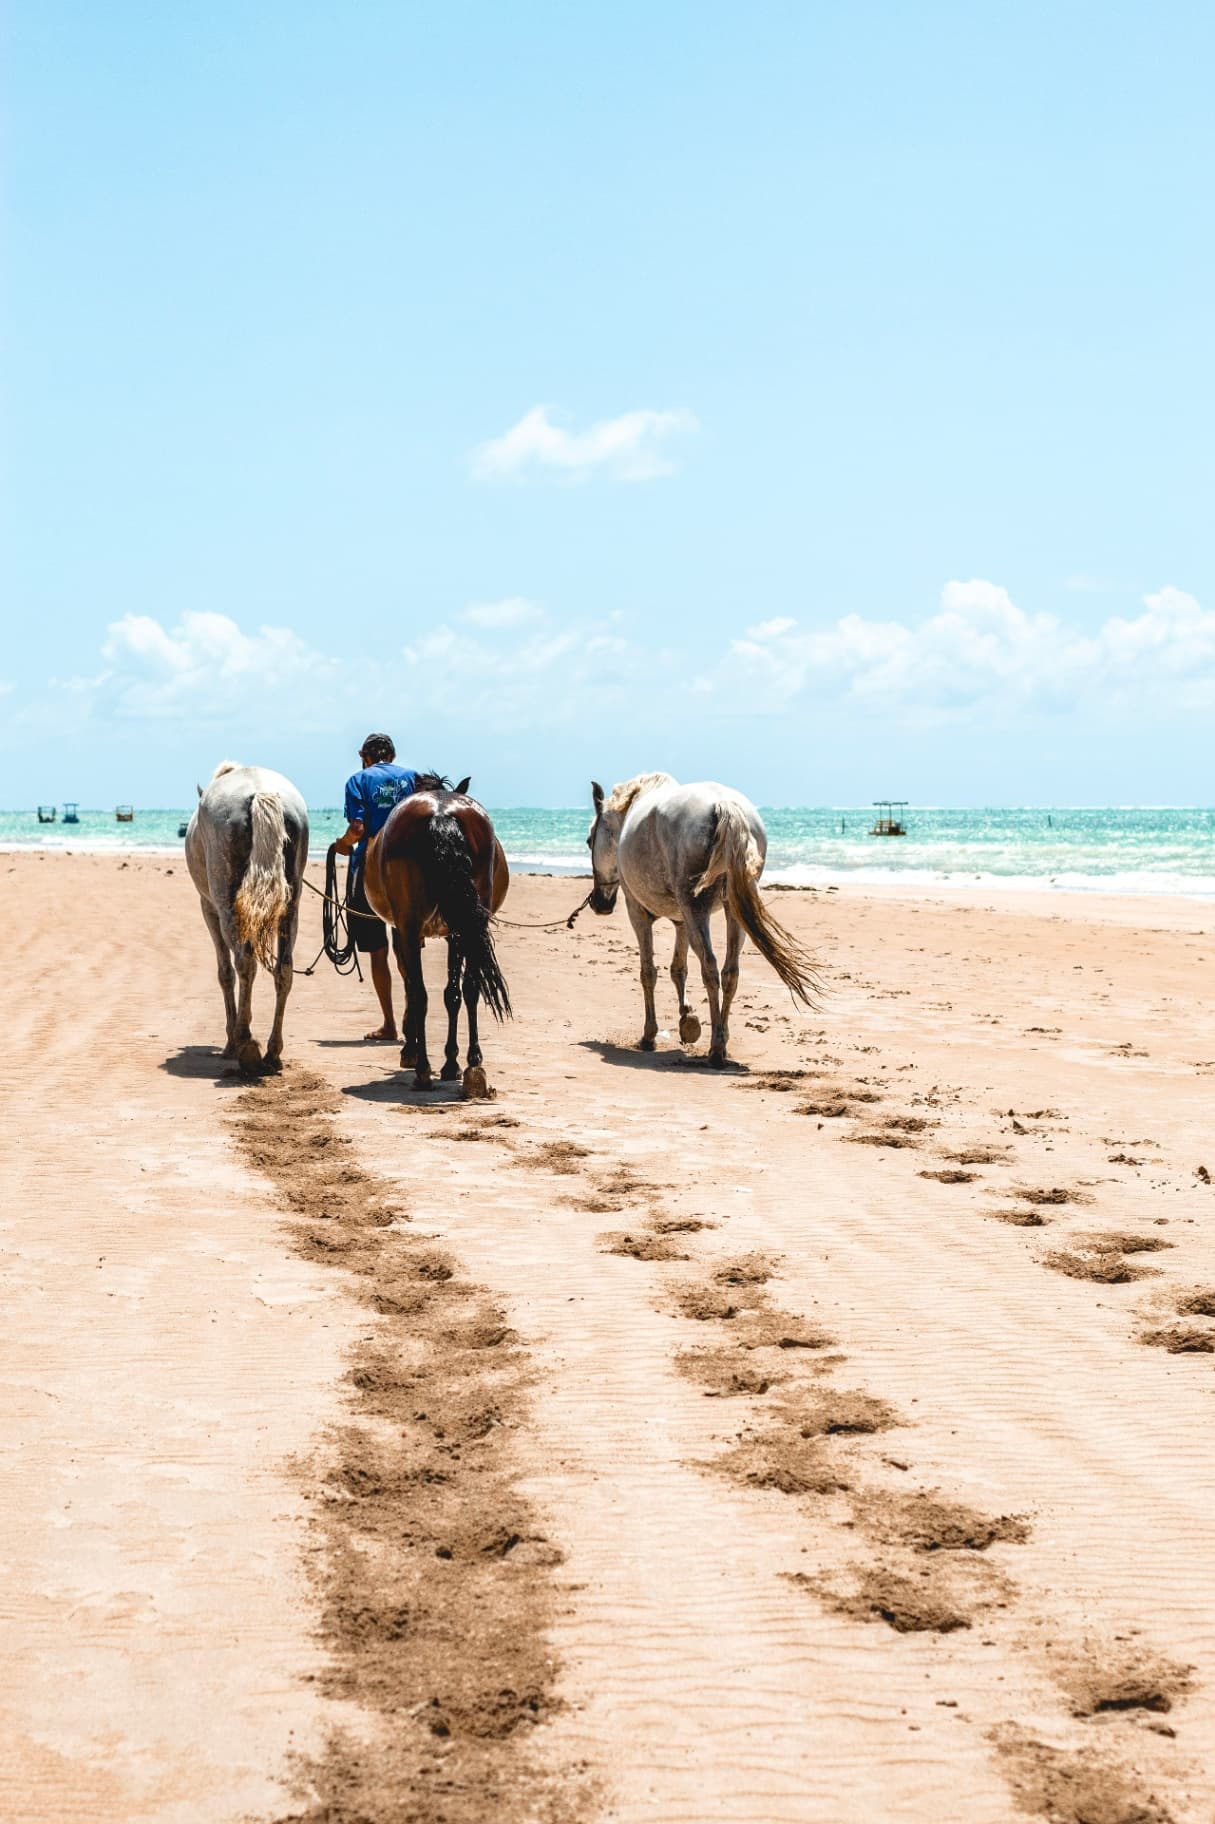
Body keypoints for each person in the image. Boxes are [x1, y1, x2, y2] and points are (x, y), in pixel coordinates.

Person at [333, 734, 420, 1040]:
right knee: (407, 949)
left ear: (365, 758)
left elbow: (357, 828)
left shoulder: (358, 780)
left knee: (378, 952)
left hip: (370, 874)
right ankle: (413, 1018)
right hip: (411, 874)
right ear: (392, 756)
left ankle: (390, 1024)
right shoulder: (413, 778)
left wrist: (342, 844)